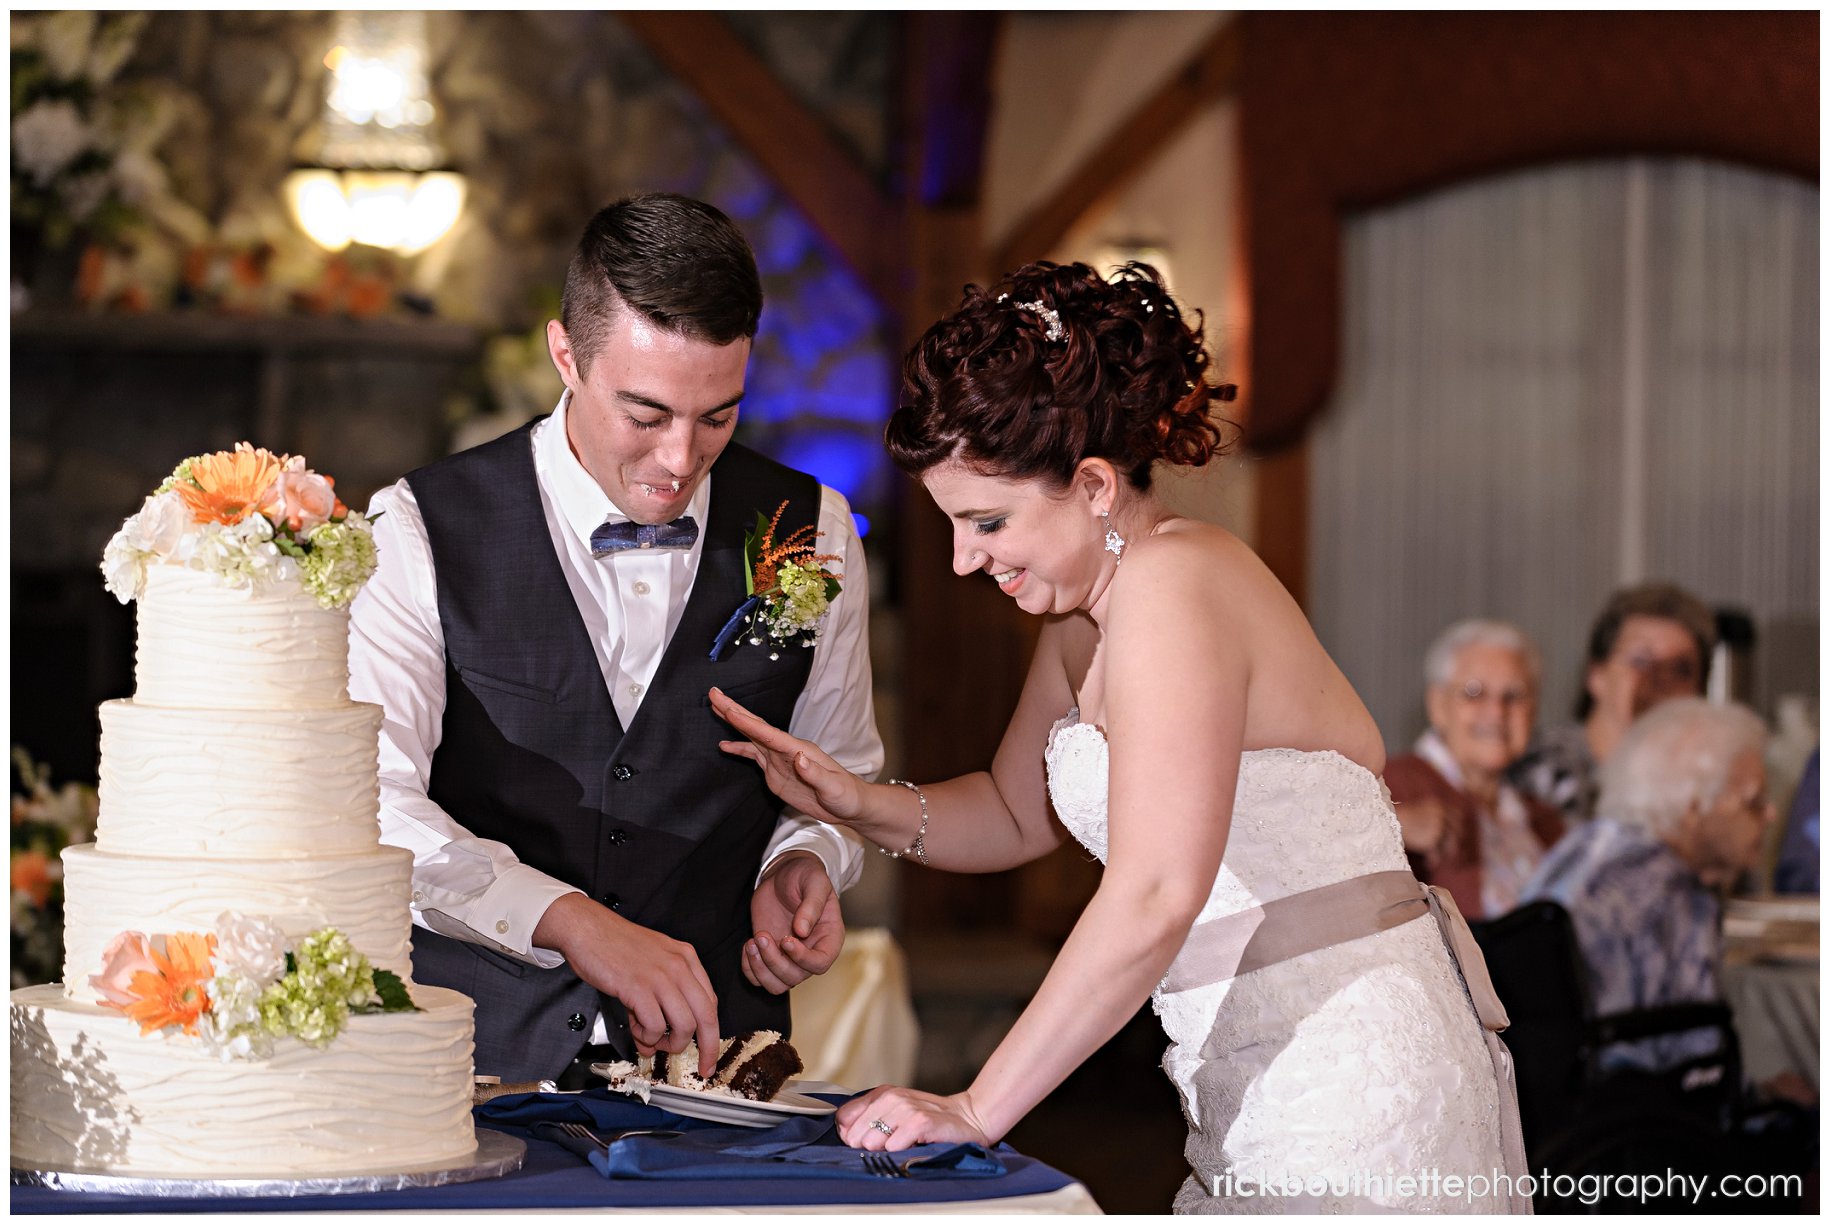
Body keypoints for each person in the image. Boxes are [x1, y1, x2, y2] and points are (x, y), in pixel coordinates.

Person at [712, 262, 1526, 1213]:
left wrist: (977, 1104)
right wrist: (857, 803)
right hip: (1245, 1068)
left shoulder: (1176, 588)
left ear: (1094, 485)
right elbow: (1019, 814)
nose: (964, 560)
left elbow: (1154, 890)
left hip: (1351, 1066)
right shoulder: (1079, 624)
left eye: (986, 521)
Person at [348, 193, 882, 1087]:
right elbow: (374, 805)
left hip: (718, 1072)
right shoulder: (416, 528)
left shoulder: (815, 529)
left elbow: (841, 769)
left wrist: (803, 858)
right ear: (566, 355)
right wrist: (573, 919)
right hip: (468, 1067)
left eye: (717, 417)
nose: (680, 458)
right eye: (646, 414)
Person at [1521, 698, 1777, 1076]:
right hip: (1632, 1113)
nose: (1770, 815)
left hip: (1550, 1103)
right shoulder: (1676, 893)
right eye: (1753, 801)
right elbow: (1700, 1070)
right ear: (1693, 809)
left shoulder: (1579, 849)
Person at [1387, 619, 1564, 920]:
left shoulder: (1544, 820)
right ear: (1438, 705)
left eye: (1514, 696)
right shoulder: (1392, 786)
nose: (1496, 712)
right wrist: (1387, 825)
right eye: (1474, 693)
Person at [1509, 583, 1715, 826]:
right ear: (1597, 676)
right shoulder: (1543, 770)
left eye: (1681, 669)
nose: (1660, 679)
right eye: (1641, 660)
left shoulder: (1703, 784)